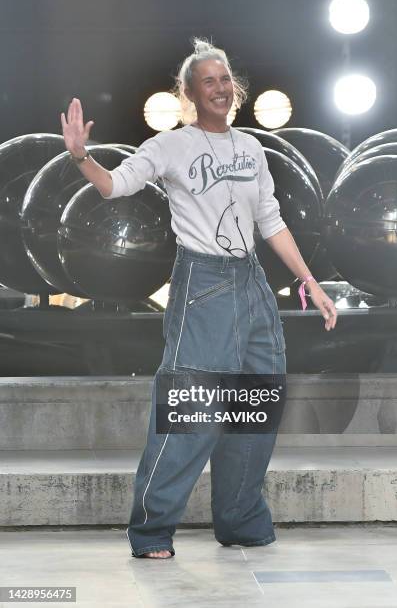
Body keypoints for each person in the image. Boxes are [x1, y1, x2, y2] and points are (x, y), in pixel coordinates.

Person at [61, 37, 337, 560]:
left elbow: (272, 222)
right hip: (204, 285)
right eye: (207, 81)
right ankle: (151, 530)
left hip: (252, 282)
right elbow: (115, 186)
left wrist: (311, 282)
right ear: (188, 93)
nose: (219, 87)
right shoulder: (171, 145)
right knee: (191, 410)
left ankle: (240, 520)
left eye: (225, 78)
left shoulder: (252, 148)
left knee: (256, 406)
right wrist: (80, 157)